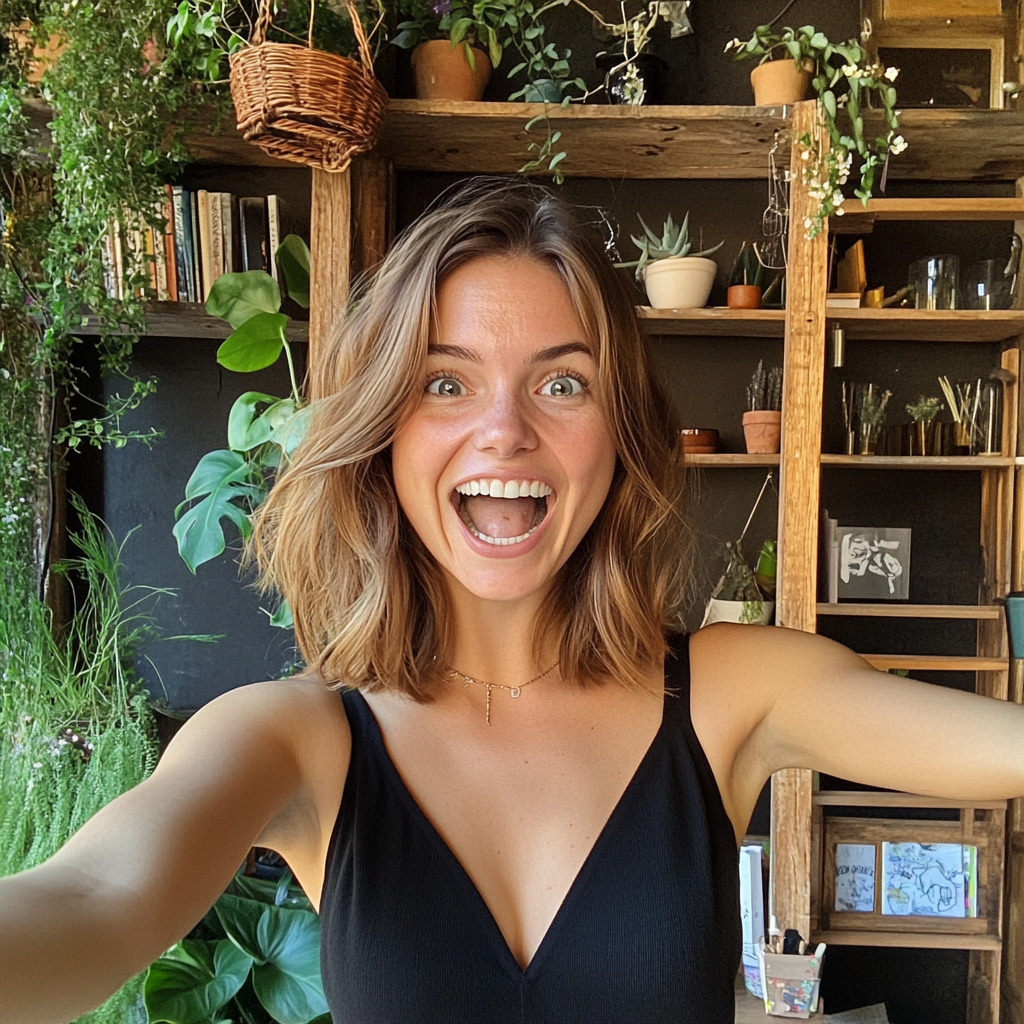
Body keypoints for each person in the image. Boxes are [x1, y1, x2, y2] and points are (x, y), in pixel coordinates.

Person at [2, 181, 1023, 1024]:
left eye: (563, 385)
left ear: (620, 433)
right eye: (446, 383)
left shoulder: (729, 690)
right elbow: (92, 897)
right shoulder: (298, 738)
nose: (504, 431)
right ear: (383, 432)